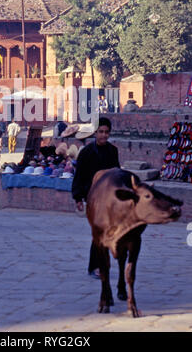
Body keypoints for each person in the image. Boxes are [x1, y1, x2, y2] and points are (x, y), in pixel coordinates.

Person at [72, 117, 120, 278]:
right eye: (101, 132)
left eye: (106, 132)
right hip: (92, 197)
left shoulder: (113, 151)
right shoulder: (86, 152)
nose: (104, 135)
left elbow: (116, 173)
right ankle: (97, 266)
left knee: (104, 232)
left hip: (109, 198)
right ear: (95, 133)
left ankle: (96, 266)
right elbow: (79, 176)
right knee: (100, 231)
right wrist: (78, 198)